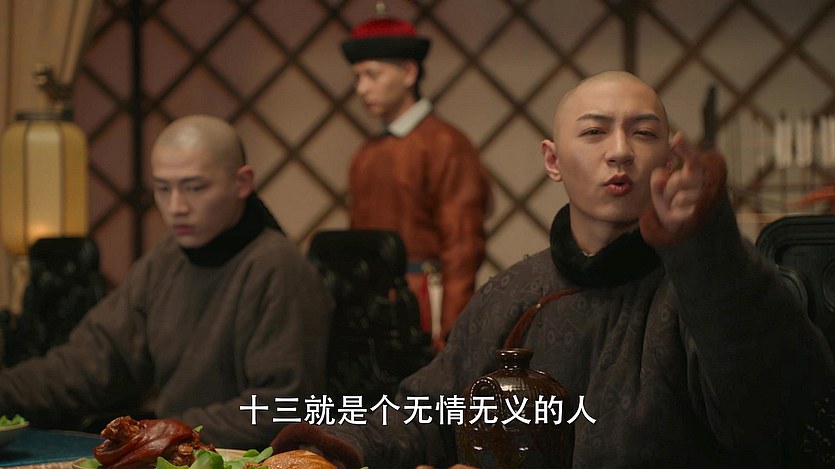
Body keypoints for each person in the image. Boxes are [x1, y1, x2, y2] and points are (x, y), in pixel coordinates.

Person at [269, 71, 835, 468]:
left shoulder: (709, 283)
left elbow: (772, 409)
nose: (621, 151)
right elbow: (430, 405)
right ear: (552, 160)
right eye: (594, 132)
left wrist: (707, 245)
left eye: (643, 132)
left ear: (668, 156)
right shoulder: (512, 294)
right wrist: (329, 451)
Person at [0, 114, 334, 449]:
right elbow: (87, 363)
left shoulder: (279, 269)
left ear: (242, 183)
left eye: (195, 188)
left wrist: (162, 433)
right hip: (174, 452)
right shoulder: (166, 259)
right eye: (163, 188)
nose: (176, 206)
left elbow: (282, 408)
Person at [340, 4, 492, 346]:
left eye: (372, 75)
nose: (361, 89)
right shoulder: (366, 154)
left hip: (425, 304)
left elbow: (462, 245)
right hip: (370, 305)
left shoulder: (445, 144)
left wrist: (452, 331)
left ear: (409, 72)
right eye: (357, 77)